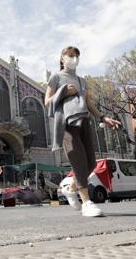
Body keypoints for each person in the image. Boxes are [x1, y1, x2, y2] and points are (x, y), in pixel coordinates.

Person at [45, 46, 121, 217]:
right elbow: (47, 102)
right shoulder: (56, 77)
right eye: (70, 55)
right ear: (62, 58)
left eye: (77, 56)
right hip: (66, 123)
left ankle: (70, 188)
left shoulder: (82, 81)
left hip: (84, 121)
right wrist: (64, 92)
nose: (74, 59)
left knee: (92, 163)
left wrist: (103, 118)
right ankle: (87, 202)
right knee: (78, 159)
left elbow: (89, 103)